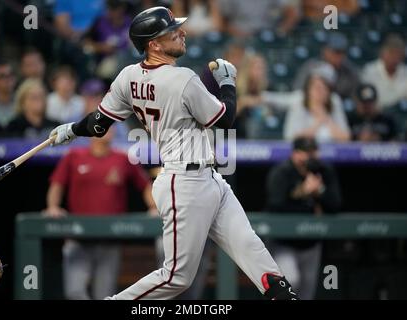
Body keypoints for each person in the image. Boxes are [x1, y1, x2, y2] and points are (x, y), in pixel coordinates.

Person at [48, 6, 298, 300]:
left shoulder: (129, 76)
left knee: (251, 248)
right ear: (153, 44)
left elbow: (99, 124)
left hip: (208, 179)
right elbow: (225, 119)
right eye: (172, 32)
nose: (181, 33)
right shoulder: (182, 79)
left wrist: (73, 129)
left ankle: (282, 294)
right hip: (184, 183)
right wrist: (228, 83)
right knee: (177, 277)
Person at [44, 128, 155, 300]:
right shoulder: (74, 155)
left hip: (109, 238)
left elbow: (145, 185)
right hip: (78, 237)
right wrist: (53, 206)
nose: (109, 129)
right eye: (104, 126)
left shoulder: (122, 158)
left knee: (105, 294)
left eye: (111, 127)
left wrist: (154, 207)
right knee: (74, 291)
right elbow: (57, 184)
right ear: (91, 132)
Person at [265, 136, 342, 299]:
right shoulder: (282, 172)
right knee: (290, 282)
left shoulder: (324, 171)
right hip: (283, 241)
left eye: (312, 152)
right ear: (295, 154)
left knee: (307, 291)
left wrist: (319, 191)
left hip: (311, 243)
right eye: (304, 153)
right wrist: (303, 191)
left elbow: (335, 205)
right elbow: (275, 206)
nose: (309, 157)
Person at [361, 33, 407, 110]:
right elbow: (366, 97)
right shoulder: (369, 70)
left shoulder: (405, 71)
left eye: (397, 54)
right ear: (383, 53)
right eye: (391, 53)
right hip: (377, 115)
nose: (394, 58)